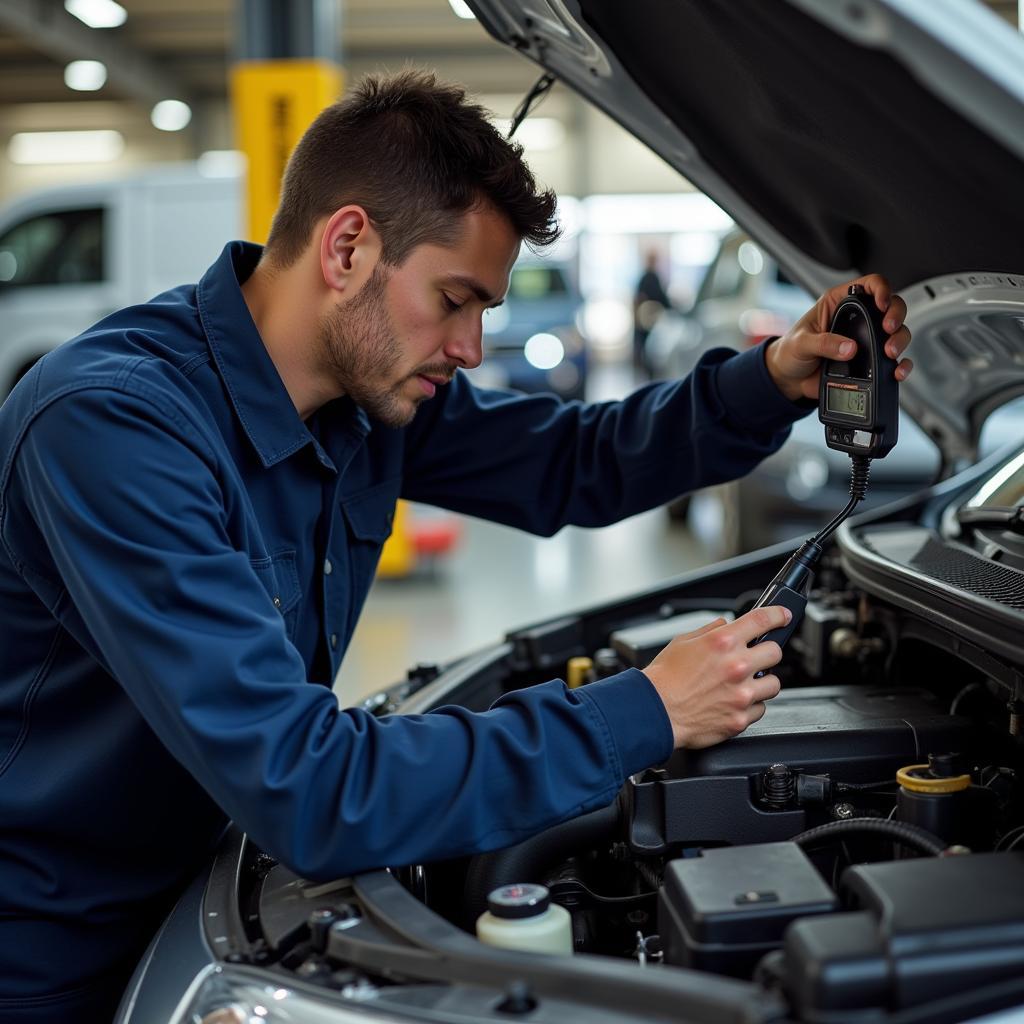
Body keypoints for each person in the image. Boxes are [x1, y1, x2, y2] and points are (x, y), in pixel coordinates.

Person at [0, 71, 912, 1021]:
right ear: (348, 246)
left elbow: (575, 463)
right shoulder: (114, 428)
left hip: (205, 879)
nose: (472, 347)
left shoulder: (364, 399)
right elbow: (309, 786)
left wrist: (771, 381)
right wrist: (643, 710)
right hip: (54, 954)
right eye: (455, 299)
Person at [633, 248, 672, 375]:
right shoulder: (651, 277)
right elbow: (661, 297)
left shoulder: (644, 277)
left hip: (646, 322)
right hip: (650, 322)